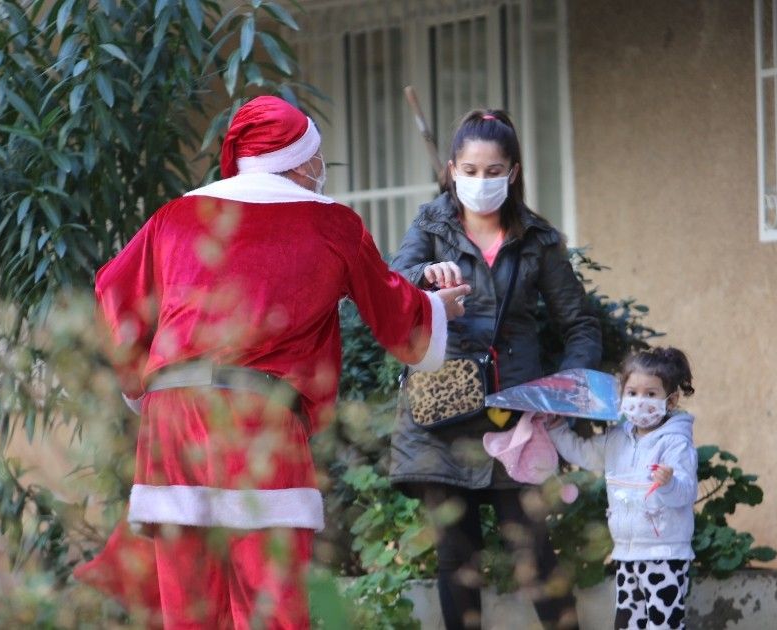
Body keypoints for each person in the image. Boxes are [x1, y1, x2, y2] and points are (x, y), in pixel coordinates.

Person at [90, 95, 471, 629]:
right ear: (301, 162)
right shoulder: (329, 222)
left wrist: (140, 384)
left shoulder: (174, 215)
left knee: (190, 608)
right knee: (270, 607)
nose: (322, 168)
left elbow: (113, 288)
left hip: (172, 417)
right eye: (318, 156)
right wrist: (436, 308)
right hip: (259, 416)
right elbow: (391, 311)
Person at [389, 109, 601, 629]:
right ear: (452, 170)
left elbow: (581, 325)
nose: (480, 181)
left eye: (493, 171)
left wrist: (565, 390)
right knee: (456, 560)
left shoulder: (538, 239)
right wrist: (425, 276)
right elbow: (389, 287)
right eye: (469, 170)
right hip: (440, 415)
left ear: (513, 172)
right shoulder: (430, 224)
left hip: (516, 419)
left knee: (534, 553)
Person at [547, 346, 698, 630]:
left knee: (664, 624)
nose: (640, 401)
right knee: (627, 624)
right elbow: (583, 453)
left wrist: (669, 483)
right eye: (632, 392)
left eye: (650, 394)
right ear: (622, 395)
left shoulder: (675, 442)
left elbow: (686, 493)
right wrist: (556, 429)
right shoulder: (616, 439)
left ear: (671, 400)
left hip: (664, 554)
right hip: (627, 553)